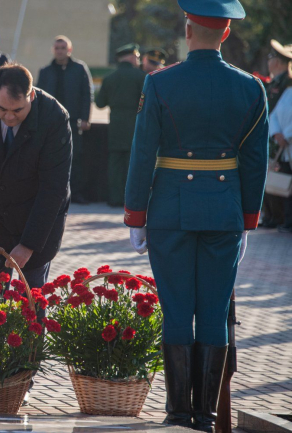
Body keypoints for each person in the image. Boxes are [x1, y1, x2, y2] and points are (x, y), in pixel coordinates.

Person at [124, 0, 268, 430]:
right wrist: (248, 220)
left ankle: (178, 414)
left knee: (176, 310)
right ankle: (205, 415)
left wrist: (135, 215)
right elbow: (254, 162)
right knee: (213, 312)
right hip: (224, 213)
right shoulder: (251, 88)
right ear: (226, 33)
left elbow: (142, 152)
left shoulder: (159, 82)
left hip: (169, 210)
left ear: (188, 30)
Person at [0, 63, 72, 309]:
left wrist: (28, 245)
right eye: (2, 109)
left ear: (32, 96)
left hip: (37, 218)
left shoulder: (54, 117)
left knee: (31, 303)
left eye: (18, 110)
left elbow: (53, 188)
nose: (9, 117)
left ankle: (33, 336)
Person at [37, 35, 93, 204]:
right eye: (57, 48)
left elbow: (87, 94)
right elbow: (38, 97)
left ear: (69, 50)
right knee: (51, 157)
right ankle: (55, 193)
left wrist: (85, 118)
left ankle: (76, 193)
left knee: (75, 158)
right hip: (51, 122)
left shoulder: (79, 69)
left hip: (73, 121)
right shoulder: (45, 71)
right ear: (53, 50)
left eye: (63, 48)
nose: (60, 51)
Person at [95, 43, 146, 207]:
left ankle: (114, 198)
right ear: (131, 57)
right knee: (132, 163)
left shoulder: (109, 78)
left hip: (115, 125)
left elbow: (100, 103)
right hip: (135, 125)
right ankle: (130, 198)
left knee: (115, 164)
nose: (138, 60)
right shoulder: (141, 76)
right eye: (137, 57)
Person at [260, 39, 292, 229]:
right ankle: (273, 216)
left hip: (286, 141)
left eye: (271, 57)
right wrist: (275, 133)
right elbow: (272, 114)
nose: (268, 61)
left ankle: (284, 218)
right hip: (275, 139)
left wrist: (285, 134)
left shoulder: (287, 83)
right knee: (275, 180)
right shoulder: (274, 83)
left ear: (278, 61)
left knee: (285, 181)